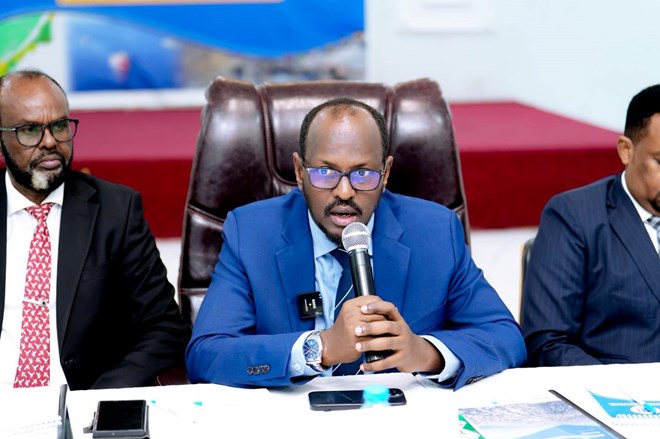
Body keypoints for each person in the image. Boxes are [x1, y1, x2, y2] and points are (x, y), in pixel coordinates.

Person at [186, 97, 526, 389]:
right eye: (325, 172)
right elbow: (206, 355)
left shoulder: (435, 231)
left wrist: (424, 352)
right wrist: (319, 348)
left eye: (363, 174)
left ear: (386, 173)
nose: (345, 192)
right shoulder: (251, 233)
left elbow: (505, 336)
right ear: (299, 172)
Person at [0, 70, 189, 390]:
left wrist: (99, 399)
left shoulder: (117, 211)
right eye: (29, 130)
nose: (50, 142)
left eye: (59, 126)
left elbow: (164, 327)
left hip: (80, 401)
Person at [521, 84, 660, 366]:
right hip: (614, 389)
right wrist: (617, 387)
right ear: (626, 150)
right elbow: (548, 342)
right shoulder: (574, 216)